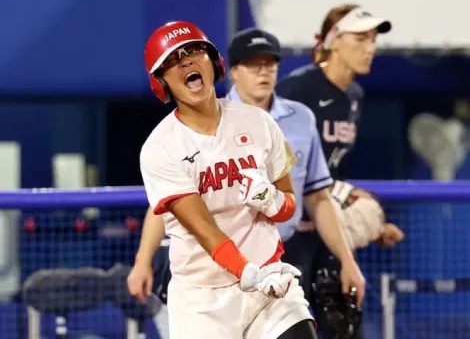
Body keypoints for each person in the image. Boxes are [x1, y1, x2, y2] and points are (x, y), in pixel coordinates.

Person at [128, 26, 365, 339]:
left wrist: (273, 200)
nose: (186, 63)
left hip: (268, 282)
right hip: (203, 299)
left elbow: (289, 206)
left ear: (213, 62)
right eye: (173, 60)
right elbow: (205, 231)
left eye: (193, 52)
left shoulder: (259, 122)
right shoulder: (161, 147)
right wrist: (247, 273)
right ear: (161, 82)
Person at [275, 4, 404, 338]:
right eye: (360, 38)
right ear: (332, 41)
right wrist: (345, 193)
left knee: (344, 322)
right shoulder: (297, 90)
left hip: (326, 229)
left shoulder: (355, 96)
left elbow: (335, 168)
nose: (370, 47)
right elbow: (282, 164)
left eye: (373, 39)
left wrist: (371, 221)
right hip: (288, 234)